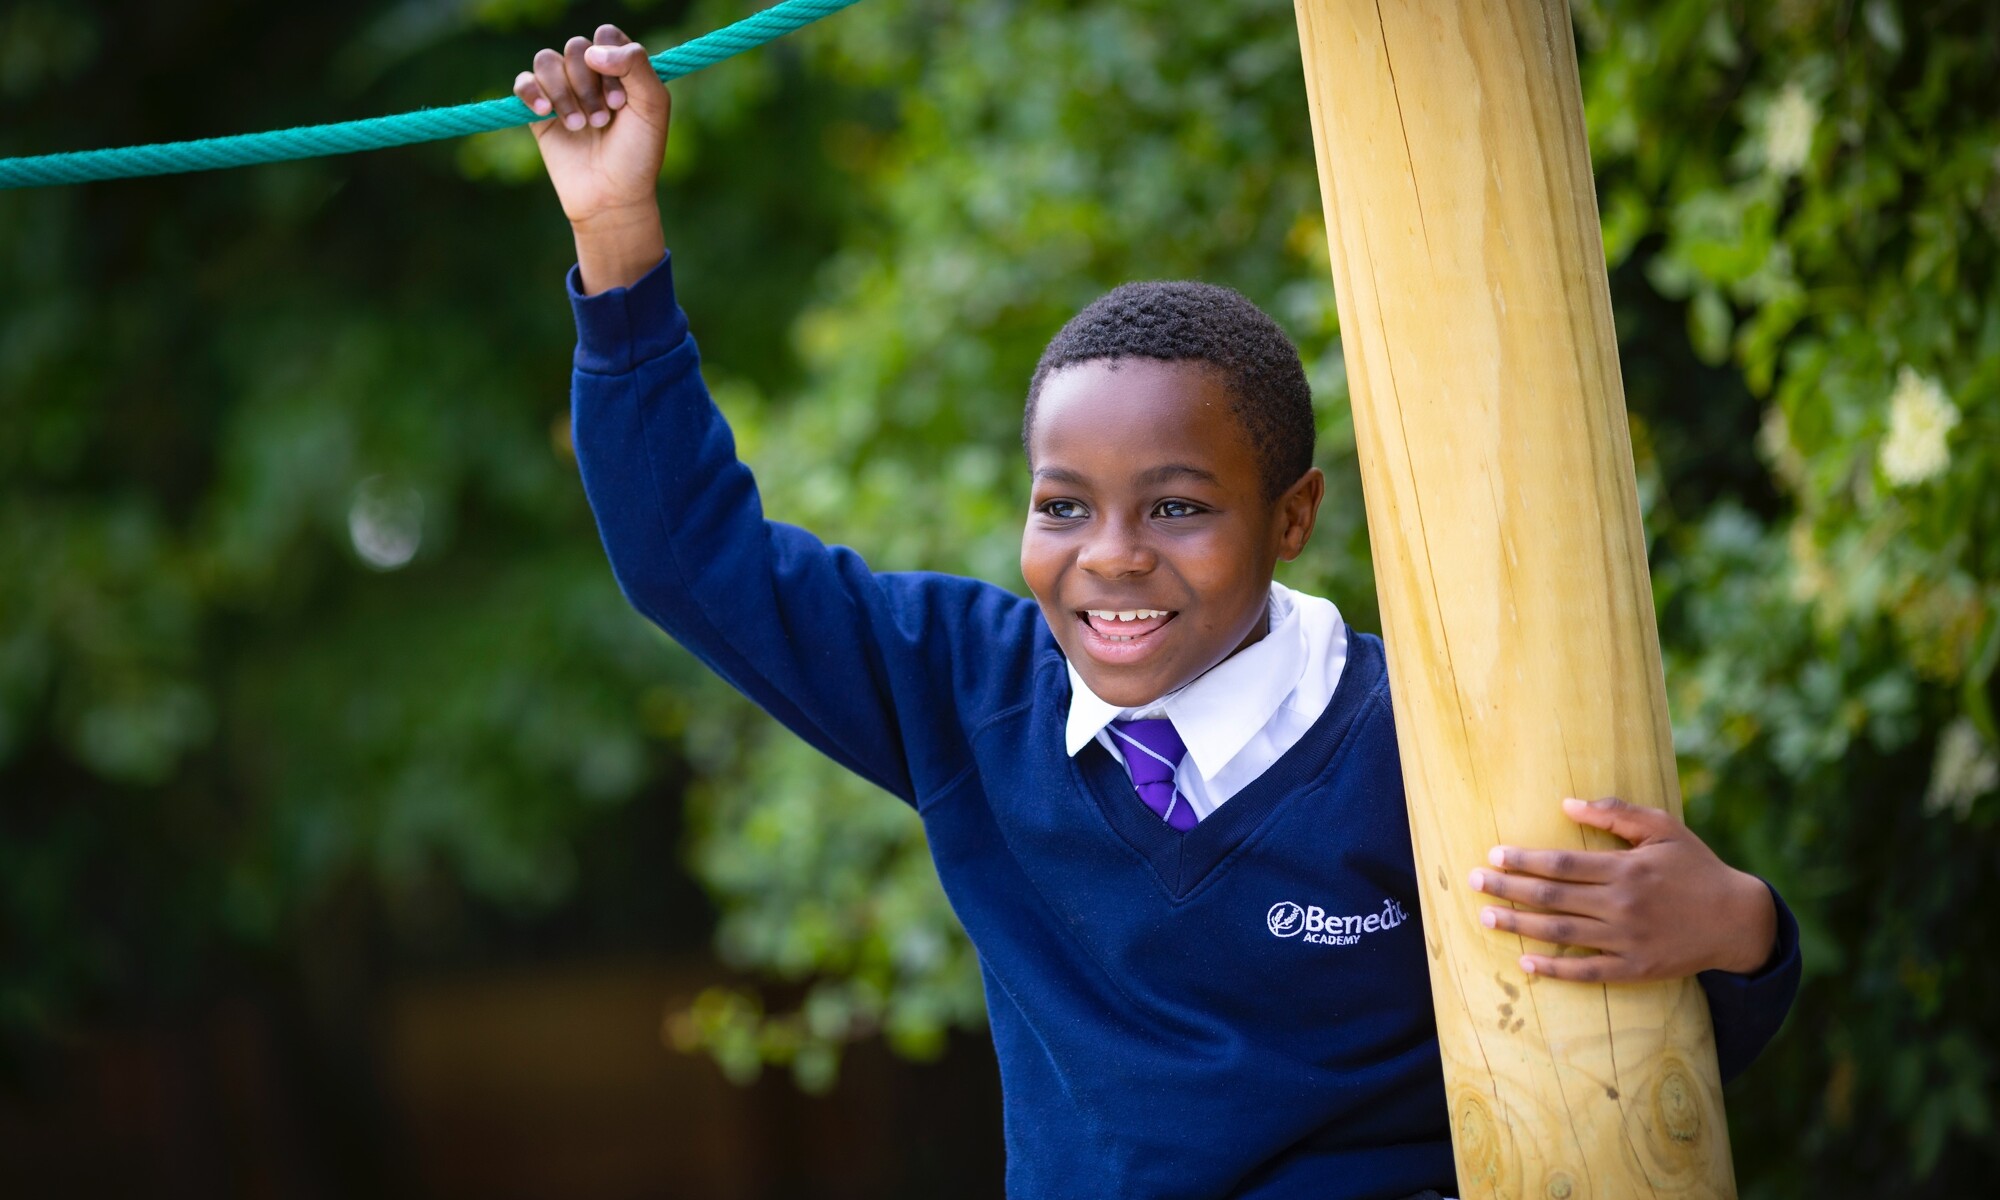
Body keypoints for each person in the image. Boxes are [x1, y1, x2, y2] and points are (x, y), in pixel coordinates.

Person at [513, 26, 1800, 1200]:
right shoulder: (966, 693)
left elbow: (1623, 1069)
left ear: (1289, 519)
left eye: (1178, 509)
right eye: (1062, 507)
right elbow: (690, 562)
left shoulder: (1433, 739)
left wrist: (1737, 928)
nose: (1110, 559)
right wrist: (616, 224)